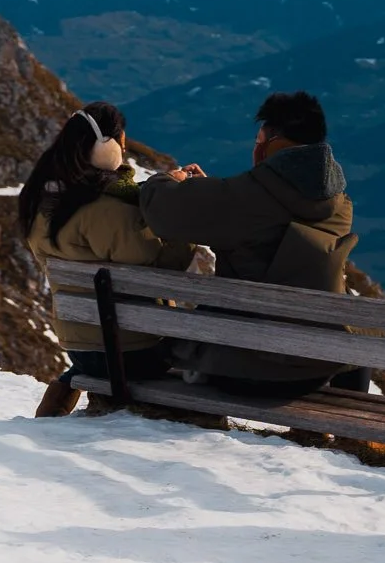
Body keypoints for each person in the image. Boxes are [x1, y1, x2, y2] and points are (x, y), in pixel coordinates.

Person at [136, 90, 359, 390]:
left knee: (163, 351)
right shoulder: (339, 204)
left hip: (255, 363)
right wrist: (213, 193)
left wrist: (166, 180)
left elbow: (165, 213)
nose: (255, 152)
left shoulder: (249, 201)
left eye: (259, 144)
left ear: (276, 147)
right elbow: (262, 221)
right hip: (320, 361)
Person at [20, 101, 201, 417]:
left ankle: (57, 402)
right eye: (122, 142)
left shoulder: (43, 200)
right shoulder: (107, 211)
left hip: (79, 347)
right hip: (135, 351)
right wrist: (187, 212)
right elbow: (161, 267)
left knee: (102, 353)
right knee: (206, 345)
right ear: (106, 148)